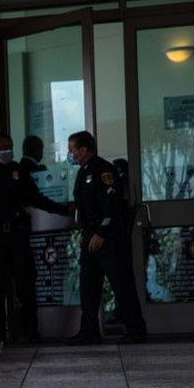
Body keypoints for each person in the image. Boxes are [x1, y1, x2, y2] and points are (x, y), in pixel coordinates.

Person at [0, 132, 71, 343]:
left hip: (17, 238)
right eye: (3, 147)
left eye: (10, 147)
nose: (7, 151)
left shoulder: (18, 171)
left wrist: (64, 210)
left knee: (26, 286)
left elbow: (36, 199)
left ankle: (31, 333)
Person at [65, 131, 147, 345]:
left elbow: (112, 206)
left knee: (121, 284)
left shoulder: (104, 170)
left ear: (84, 149)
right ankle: (89, 331)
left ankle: (135, 329)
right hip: (90, 237)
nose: (70, 153)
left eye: (73, 149)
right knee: (88, 286)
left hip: (108, 239)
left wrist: (101, 233)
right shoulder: (84, 171)